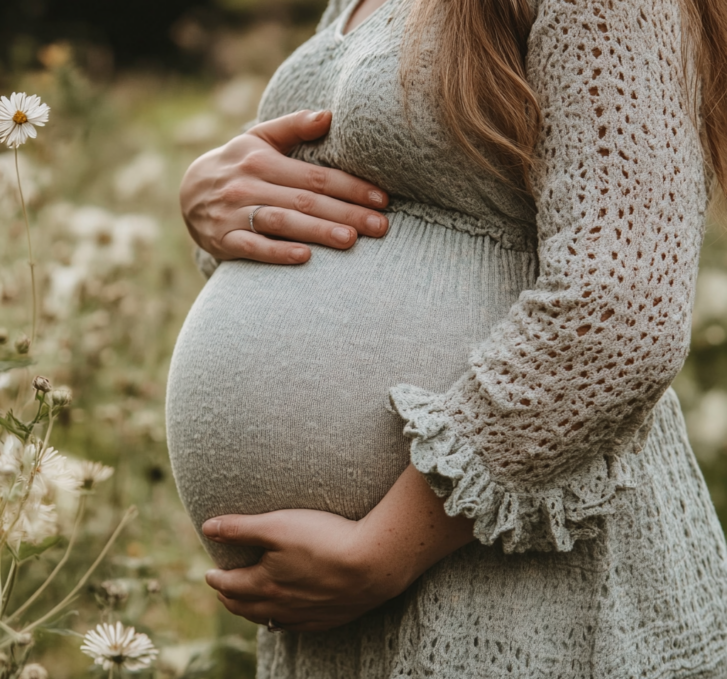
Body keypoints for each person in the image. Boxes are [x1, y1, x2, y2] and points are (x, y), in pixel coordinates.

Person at [165, 0, 727, 674]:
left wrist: (388, 546)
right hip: (338, 614)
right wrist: (217, 198)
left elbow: (618, 309)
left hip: (513, 581)